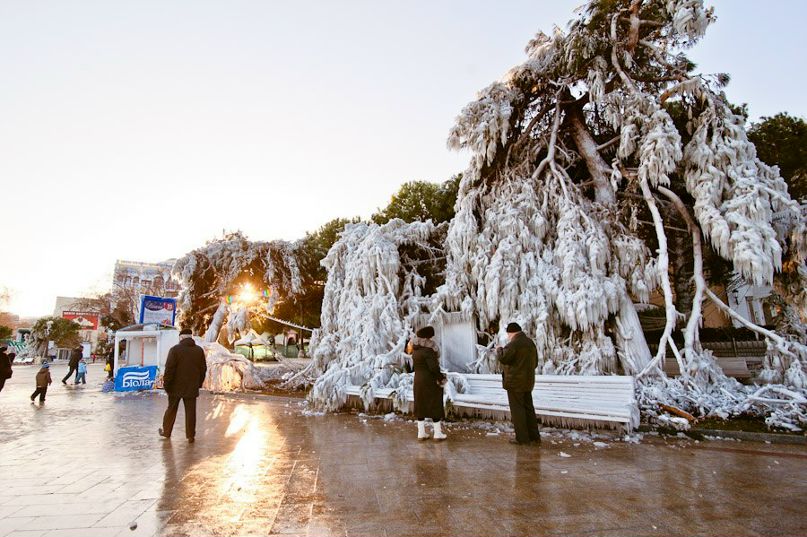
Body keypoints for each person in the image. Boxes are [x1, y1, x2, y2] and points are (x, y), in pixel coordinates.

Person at [159, 328, 207, 443]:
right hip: (191, 386)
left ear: (181, 337)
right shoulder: (199, 351)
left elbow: (169, 369)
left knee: (171, 409)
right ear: (191, 337)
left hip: (175, 387)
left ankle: (166, 432)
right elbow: (203, 369)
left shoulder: (175, 350)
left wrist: (167, 385)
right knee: (191, 411)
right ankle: (190, 435)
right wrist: (198, 383)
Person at [496, 322, 540, 445]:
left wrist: (499, 350)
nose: (508, 336)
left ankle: (522, 439)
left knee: (518, 411)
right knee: (528, 409)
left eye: (508, 334)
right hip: (528, 383)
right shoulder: (530, 343)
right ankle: (534, 436)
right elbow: (535, 363)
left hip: (515, 383)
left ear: (511, 333)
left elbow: (504, 358)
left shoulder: (513, 344)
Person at [411, 326, 447, 441]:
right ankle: (437, 433)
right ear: (428, 338)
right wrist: (441, 378)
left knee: (420, 405)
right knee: (435, 404)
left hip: (418, 380)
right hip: (429, 381)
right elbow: (433, 368)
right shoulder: (428, 351)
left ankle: (421, 433)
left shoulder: (415, 350)